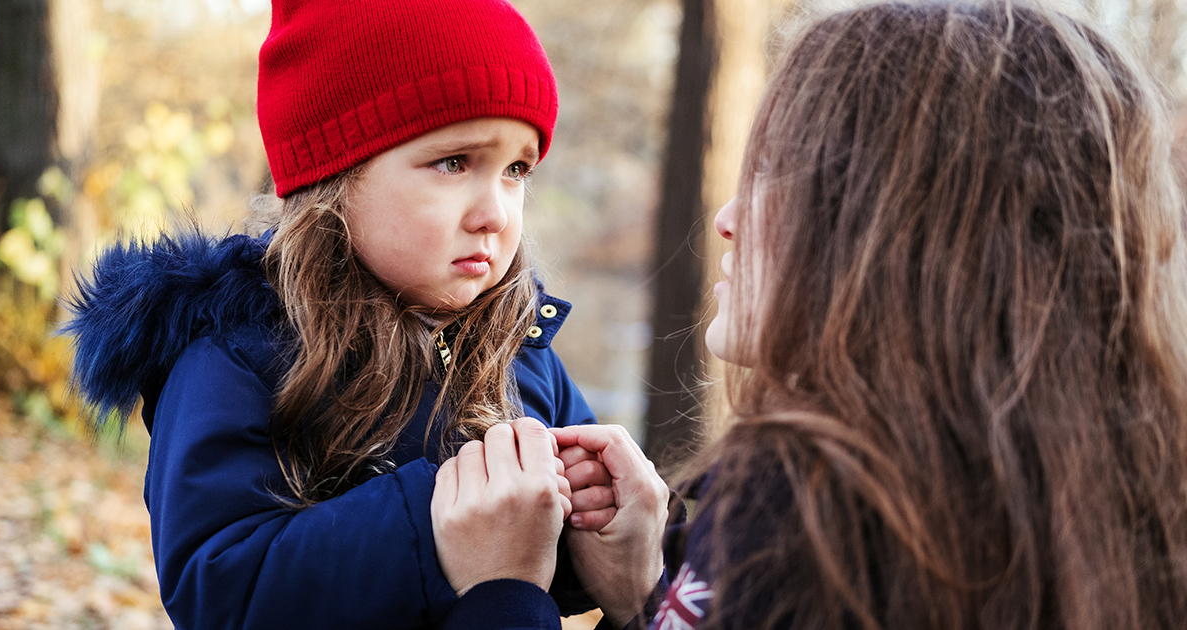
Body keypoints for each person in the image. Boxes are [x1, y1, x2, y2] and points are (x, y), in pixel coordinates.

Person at [429, 1, 1187, 629]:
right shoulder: (1104, 513)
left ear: (899, 231)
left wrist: (504, 592)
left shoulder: (811, 517)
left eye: (778, 175)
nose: (727, 217)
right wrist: (643, 594)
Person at [62, 1, 615, 628]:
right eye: (454, 163)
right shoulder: (239, 360)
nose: (496, 213)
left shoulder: (522, 349)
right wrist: (433, 534)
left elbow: (548, 566)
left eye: (517, 169)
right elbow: (220, 589)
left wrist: (599, 519)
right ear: (335, 173)